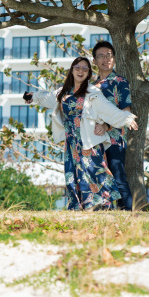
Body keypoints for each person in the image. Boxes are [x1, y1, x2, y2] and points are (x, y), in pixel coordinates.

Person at [26, 56, 138, 210]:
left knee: (93, 173)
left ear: (88, 73)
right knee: (73, 175)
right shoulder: (63, 93)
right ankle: (79, 207)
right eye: (77, 67)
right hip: (71, 143)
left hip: (88, 142)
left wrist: (126, 118)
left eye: (85, 69)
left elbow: (108, 110)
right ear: (72, 70)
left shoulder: (92, 93)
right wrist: (32, 97)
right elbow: (46, 98)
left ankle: (101, 207)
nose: (81, 71)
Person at [91, 40, 134, 211]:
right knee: (99, 177)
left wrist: (107, 127)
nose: (105, 59)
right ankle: (104, 213)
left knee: (118, 176)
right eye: (101, 56)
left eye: (109, 55)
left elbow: (126, 112)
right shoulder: (91, 87)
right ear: (94, 61)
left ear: (114, 58)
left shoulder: (120, 82)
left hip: (115, 138)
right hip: (94, 139)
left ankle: (128, 214)